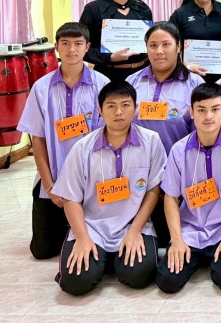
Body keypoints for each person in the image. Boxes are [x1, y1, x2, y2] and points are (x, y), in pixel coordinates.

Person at [52, 81, 167, 295]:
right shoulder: (82, 148)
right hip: (92, 228)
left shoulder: (151, 141)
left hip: (133, 225)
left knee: (139, 276)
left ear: (136, 108)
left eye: (125, 105)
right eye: (111, 106)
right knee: (76, 282)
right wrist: (83, 238)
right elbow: (71, 198)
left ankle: (109, 261)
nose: (119, 112)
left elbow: (153, 190)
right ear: (100, 110)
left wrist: (135, 231)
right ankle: (101, 259)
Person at [17, 22, 109, 259]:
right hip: (54, 180)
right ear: (56, 47)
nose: (72, 50)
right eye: (65, 44)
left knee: (97, 244)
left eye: (78, 44)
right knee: (43, 251)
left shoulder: (102, 84)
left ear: (87, 47)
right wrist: (50, 186)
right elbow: (38, 140)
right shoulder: (41, 88)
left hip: (92, 181)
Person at [155, 84, 221, 293]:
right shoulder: (179, 149)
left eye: (215, 109)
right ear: (191, 112)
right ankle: (194, 254)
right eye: (201, 110)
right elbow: (171, 197)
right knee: (167, 282)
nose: (208, 116)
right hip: (190, 230)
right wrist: (176, 240)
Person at [127, 22, 204, 154]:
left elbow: (203, 132)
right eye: (153, 45)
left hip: (179, 161)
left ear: (178, 47)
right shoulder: (132, 81)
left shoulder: (195, 84)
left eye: (166, 44)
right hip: (136, 161)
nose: (159, 51)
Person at [79, 0, 152, 82]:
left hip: (142, 74)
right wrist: (110, 57)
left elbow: (150, 42)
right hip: (108, 76)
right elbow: (81, 47)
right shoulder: (93, 9)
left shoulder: (143, 8)